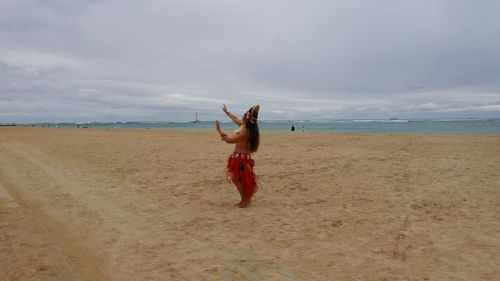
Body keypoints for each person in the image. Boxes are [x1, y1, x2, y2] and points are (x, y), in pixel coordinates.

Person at [216, 104, 260, 208]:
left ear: (247, 118)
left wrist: (219, 131)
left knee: (236, 179)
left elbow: (230, 140)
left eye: (244, 115)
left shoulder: (246, 132)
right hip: (241, 159)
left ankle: (245, 200)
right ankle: (245, 199)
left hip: (240, 160)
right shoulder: (245, 127)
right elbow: (235, 119)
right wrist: (227, 112)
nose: (242, 117)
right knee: (238, 179)